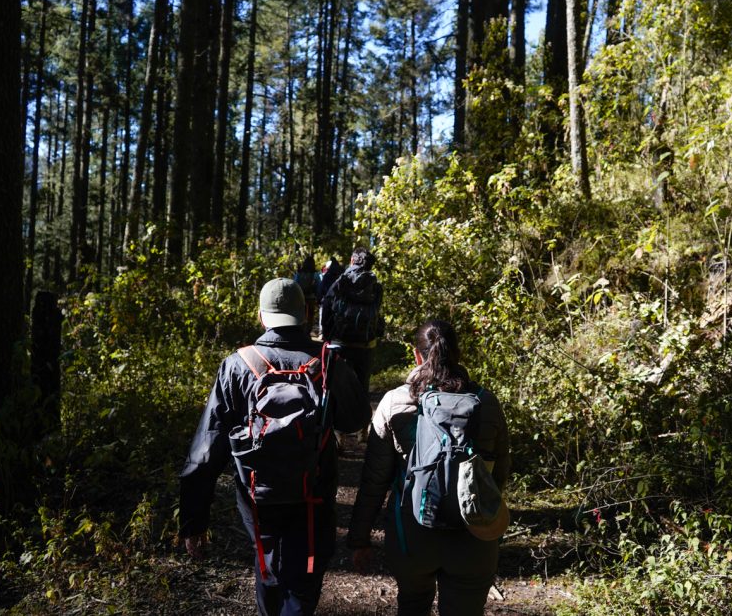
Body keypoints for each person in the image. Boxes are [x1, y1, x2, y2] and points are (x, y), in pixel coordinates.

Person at [179, 278, 370, 616]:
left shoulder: (237, 365)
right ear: (306, 313)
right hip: (313, 494)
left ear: (261, 316)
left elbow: (205, 452)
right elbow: (355, 420)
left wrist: (194, 522)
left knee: (267, 565)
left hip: (258, 497)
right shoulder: (328, 361)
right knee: (304, 577)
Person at [347, 320, 511, 616]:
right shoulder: (486, 403)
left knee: (412, 604)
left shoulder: (395, 403)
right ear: (458, 353)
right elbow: (499, 475)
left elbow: (374, 480)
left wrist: (359, 538)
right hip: (473, 535)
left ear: (416, 355)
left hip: (412, 536)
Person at [319, 246, 384, 393]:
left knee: (336, 388)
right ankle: (361, 407)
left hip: (340, 343)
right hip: (366, 343)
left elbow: (327, 306)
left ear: (352, 260)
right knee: (362, 387)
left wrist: (327, 336)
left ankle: (337, 407)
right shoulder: (375, 286)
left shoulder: (340, 281)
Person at [293, 254, 321, 331]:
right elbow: (318, 286)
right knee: (310, 316)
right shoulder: (315, 274)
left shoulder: (299, 273)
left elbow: (295, 284)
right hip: (311, 297)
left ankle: (301, 330)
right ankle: (308, 331)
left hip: (301, 298)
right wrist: (318, 297)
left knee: (302, 314)